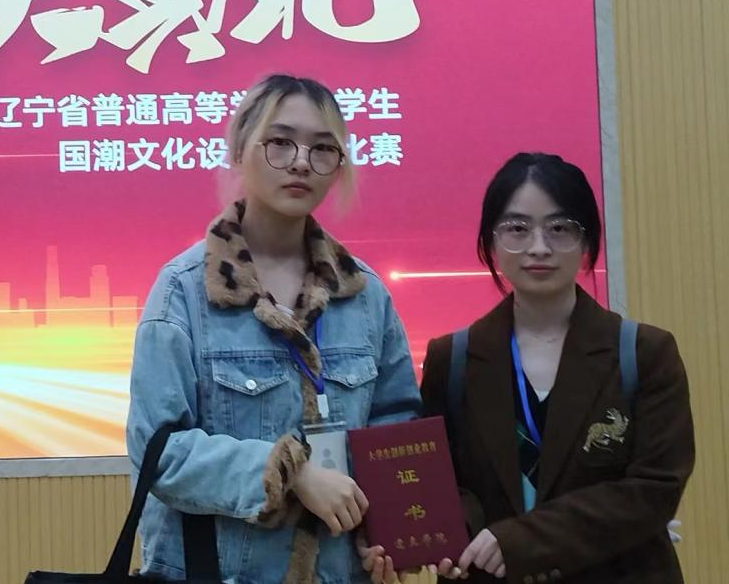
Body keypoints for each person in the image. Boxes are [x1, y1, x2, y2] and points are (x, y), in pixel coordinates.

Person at [125, 74, 422, 583]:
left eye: (322, 148)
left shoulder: (363, 294)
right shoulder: (184, 290)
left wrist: (385, 534)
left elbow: (396, 429)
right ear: (241, 149)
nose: (302, 162)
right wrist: (291, 474)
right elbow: (159, 454)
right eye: (281, 142)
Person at [416, 152, 694, 583]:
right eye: (517, 228)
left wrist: (520, 542)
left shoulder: (645, 353)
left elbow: (655, 489)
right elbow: (440, 481)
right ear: (491, 241)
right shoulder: (452, 359)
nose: (539, 247)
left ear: (586, 241)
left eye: (560, 228)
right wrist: (457, 536)